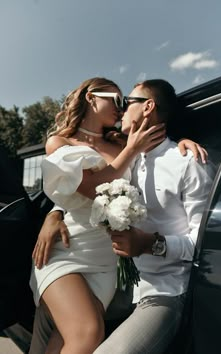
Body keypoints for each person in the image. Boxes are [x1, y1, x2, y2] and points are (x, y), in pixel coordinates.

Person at [29, 78, 210, 354]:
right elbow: (87, 188)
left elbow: (157, 153)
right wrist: (53, 214)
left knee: (69, 337)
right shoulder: (75, 143)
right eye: (116, 101)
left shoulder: (131, 146)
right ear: (91, 98)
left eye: (126, 102)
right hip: (70, 248)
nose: (121, 107)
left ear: (147, 107)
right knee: (86, 333)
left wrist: (182, 146)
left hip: (110, 264)